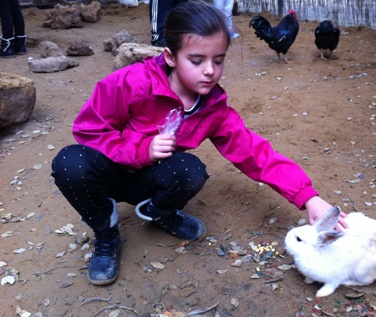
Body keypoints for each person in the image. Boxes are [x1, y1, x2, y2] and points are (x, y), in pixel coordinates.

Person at [51, 0, 347, 286]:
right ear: (170, 57)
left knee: (191, 170)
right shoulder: (129, 82)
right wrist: (141, 149)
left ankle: (160, 212)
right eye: (197, 60)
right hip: (112, 172)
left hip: (152, 178)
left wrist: (308, 197)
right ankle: (106, 232)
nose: (210, 70)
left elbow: (254, 153)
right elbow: (89, 131)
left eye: (218, 61)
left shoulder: (213, 108)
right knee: (70, 163)